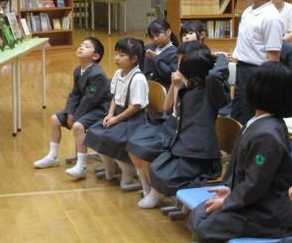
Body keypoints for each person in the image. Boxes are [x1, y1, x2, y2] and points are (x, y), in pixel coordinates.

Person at [189, 62, 292, 242]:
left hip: (267, 211)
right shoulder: (259, 122)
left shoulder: (267, 135)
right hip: (252, 200)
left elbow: (255, 183)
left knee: (206, 227)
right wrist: (230, 191)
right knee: (200, 214)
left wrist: (228, 201)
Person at [140, 46, 228, 209]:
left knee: (167, 175)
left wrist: (220, 57)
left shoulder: (210, 88)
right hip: (183, 144)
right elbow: (172, 109)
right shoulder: (189, 88)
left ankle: (182, 202)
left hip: (199, 153)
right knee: (156, 167)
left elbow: (215, 74)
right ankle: (165, 196)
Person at [33, 37, 111, 179]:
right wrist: (69, 112)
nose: (81, 47)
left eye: (86, 46)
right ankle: (53, 156)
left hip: (100, 110)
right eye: (81, 45)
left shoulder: (97, 74)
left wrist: (75, 116)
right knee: (54, 119)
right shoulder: (77, 70)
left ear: (95, 56)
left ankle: (81, 165)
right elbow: (75, 94)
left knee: (78, 126)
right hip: (84, 108)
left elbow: (90, 100)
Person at [84, 37, 149, 190]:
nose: (117, 58)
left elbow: (135, 107)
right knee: (95, 133)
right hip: (118, 115)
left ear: (134, 59)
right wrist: (110, 114)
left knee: (113, 139)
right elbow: (114, 97)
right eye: (116, 54)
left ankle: (128, 176)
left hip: (133, 120)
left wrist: (116, 119)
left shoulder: (138, 78)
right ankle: (110, 171)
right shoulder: (118, 73)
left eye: (122, 55)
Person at [231, 0, 284, 124]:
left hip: (258, 75)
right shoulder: (248, 11)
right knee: (237, 116)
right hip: (242, 70)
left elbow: (273, 58)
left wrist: (263, 87)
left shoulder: (271, 17)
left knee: (251, 119)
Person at [142, 19, 179, 89]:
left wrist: (156, 58)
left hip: (164, 88)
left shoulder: (175, 52)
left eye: (157, 35)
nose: (155, 39)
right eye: (152, 37)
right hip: (146, 85)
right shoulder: (149, 47)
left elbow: (170, 75)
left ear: (168, 32)